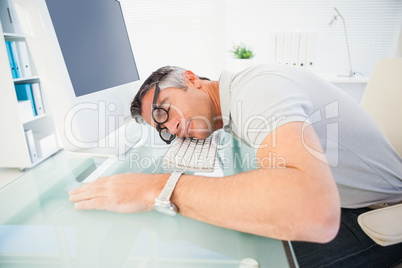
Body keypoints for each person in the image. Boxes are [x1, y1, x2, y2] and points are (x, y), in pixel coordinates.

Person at [69, 65, 402, 267]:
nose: (169, 127)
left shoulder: (257, 91)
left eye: (163, 111)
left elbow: (314, 212)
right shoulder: (235, 102)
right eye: (162, 129)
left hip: (377, 213)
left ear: (191, 79)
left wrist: (157, 188)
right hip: (346, 199)